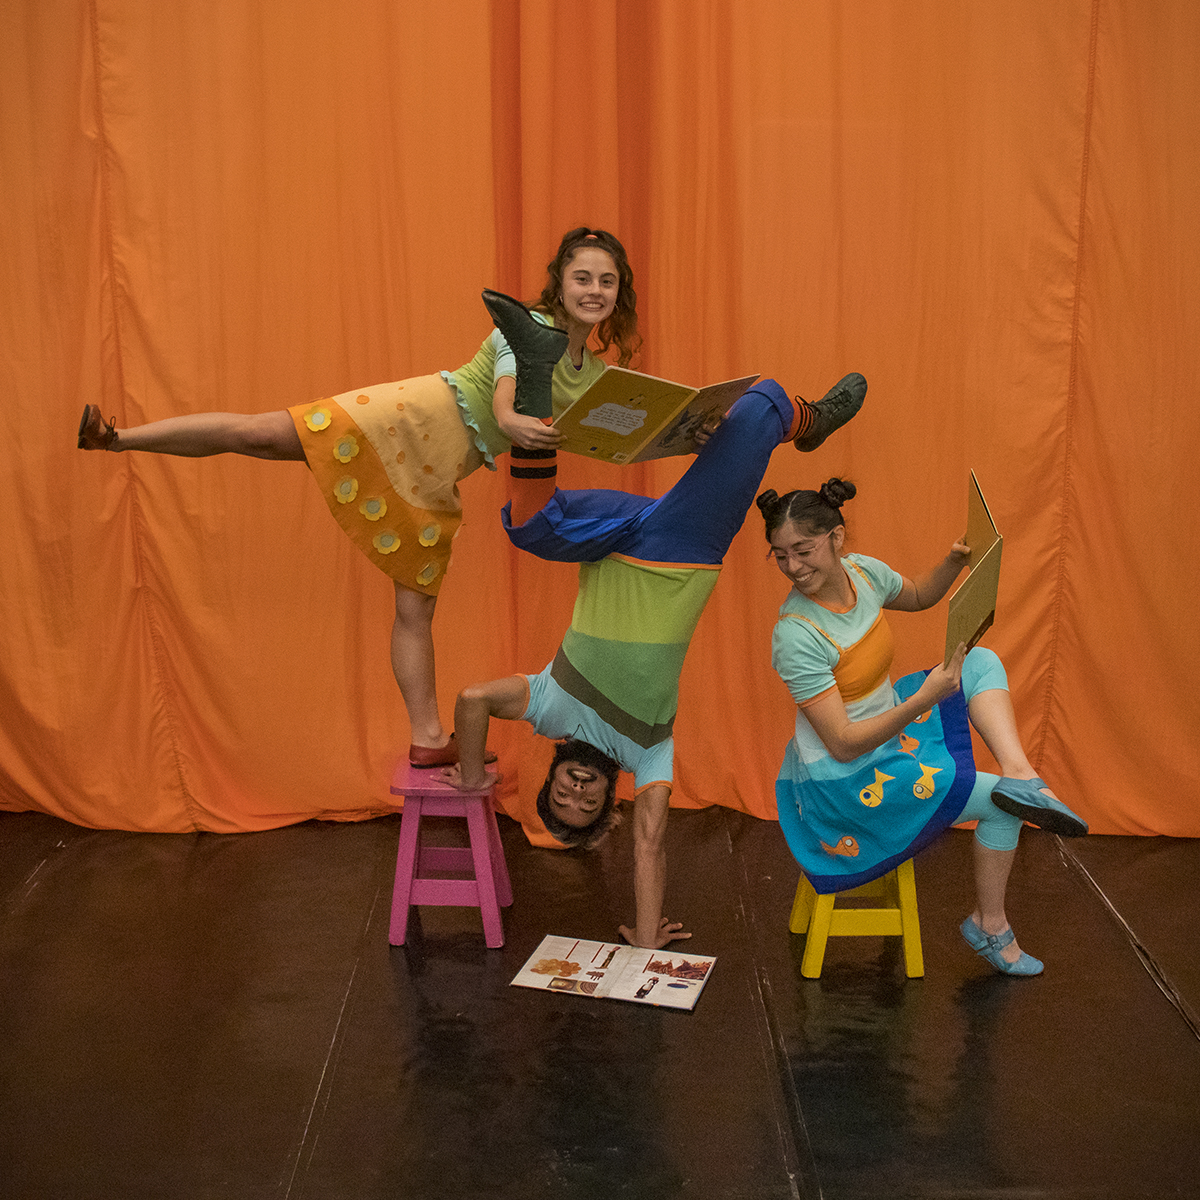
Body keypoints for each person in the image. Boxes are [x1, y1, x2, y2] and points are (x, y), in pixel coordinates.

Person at [75, 227, 638, 767]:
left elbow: (615, 433)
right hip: (407, 420)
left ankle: (427, 737)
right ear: (559, 283)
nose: (593, 290)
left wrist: (677, 437)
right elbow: (508, 391)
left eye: (606, 281)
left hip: (431, 476)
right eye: (582, 278)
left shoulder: (592, 374)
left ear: (619, 292)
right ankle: (118, 438)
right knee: (259, 434)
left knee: (415, 608)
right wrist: (511, 421)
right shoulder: (529, 327)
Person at [441, 289, 868, 948]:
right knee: (761, 404)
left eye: (561, 798)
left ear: (551, 779)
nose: (577, 793)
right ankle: (805, 420)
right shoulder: (649, 752)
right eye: (586, 806)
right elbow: (649, 842)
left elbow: (472, 700)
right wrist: (644, 939)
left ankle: (533, 364)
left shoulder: (548, 707)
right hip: (681, 550)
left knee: (527, 523)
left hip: (607, 538)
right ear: (607, 802)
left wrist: (472, 781)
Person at [760, 479, 1088, 976]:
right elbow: (843, 745)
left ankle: (1022, 773)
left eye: (803, 551)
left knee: (978, 661)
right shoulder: (796, 635)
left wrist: (954, 562)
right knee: (1003, 806)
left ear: (836, 537)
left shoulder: (862, 572)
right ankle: (990, 925)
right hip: (846, 782)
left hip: (889, 727)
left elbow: (917, 596)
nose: (793, 567)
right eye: (781, 556)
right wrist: (922, 700)